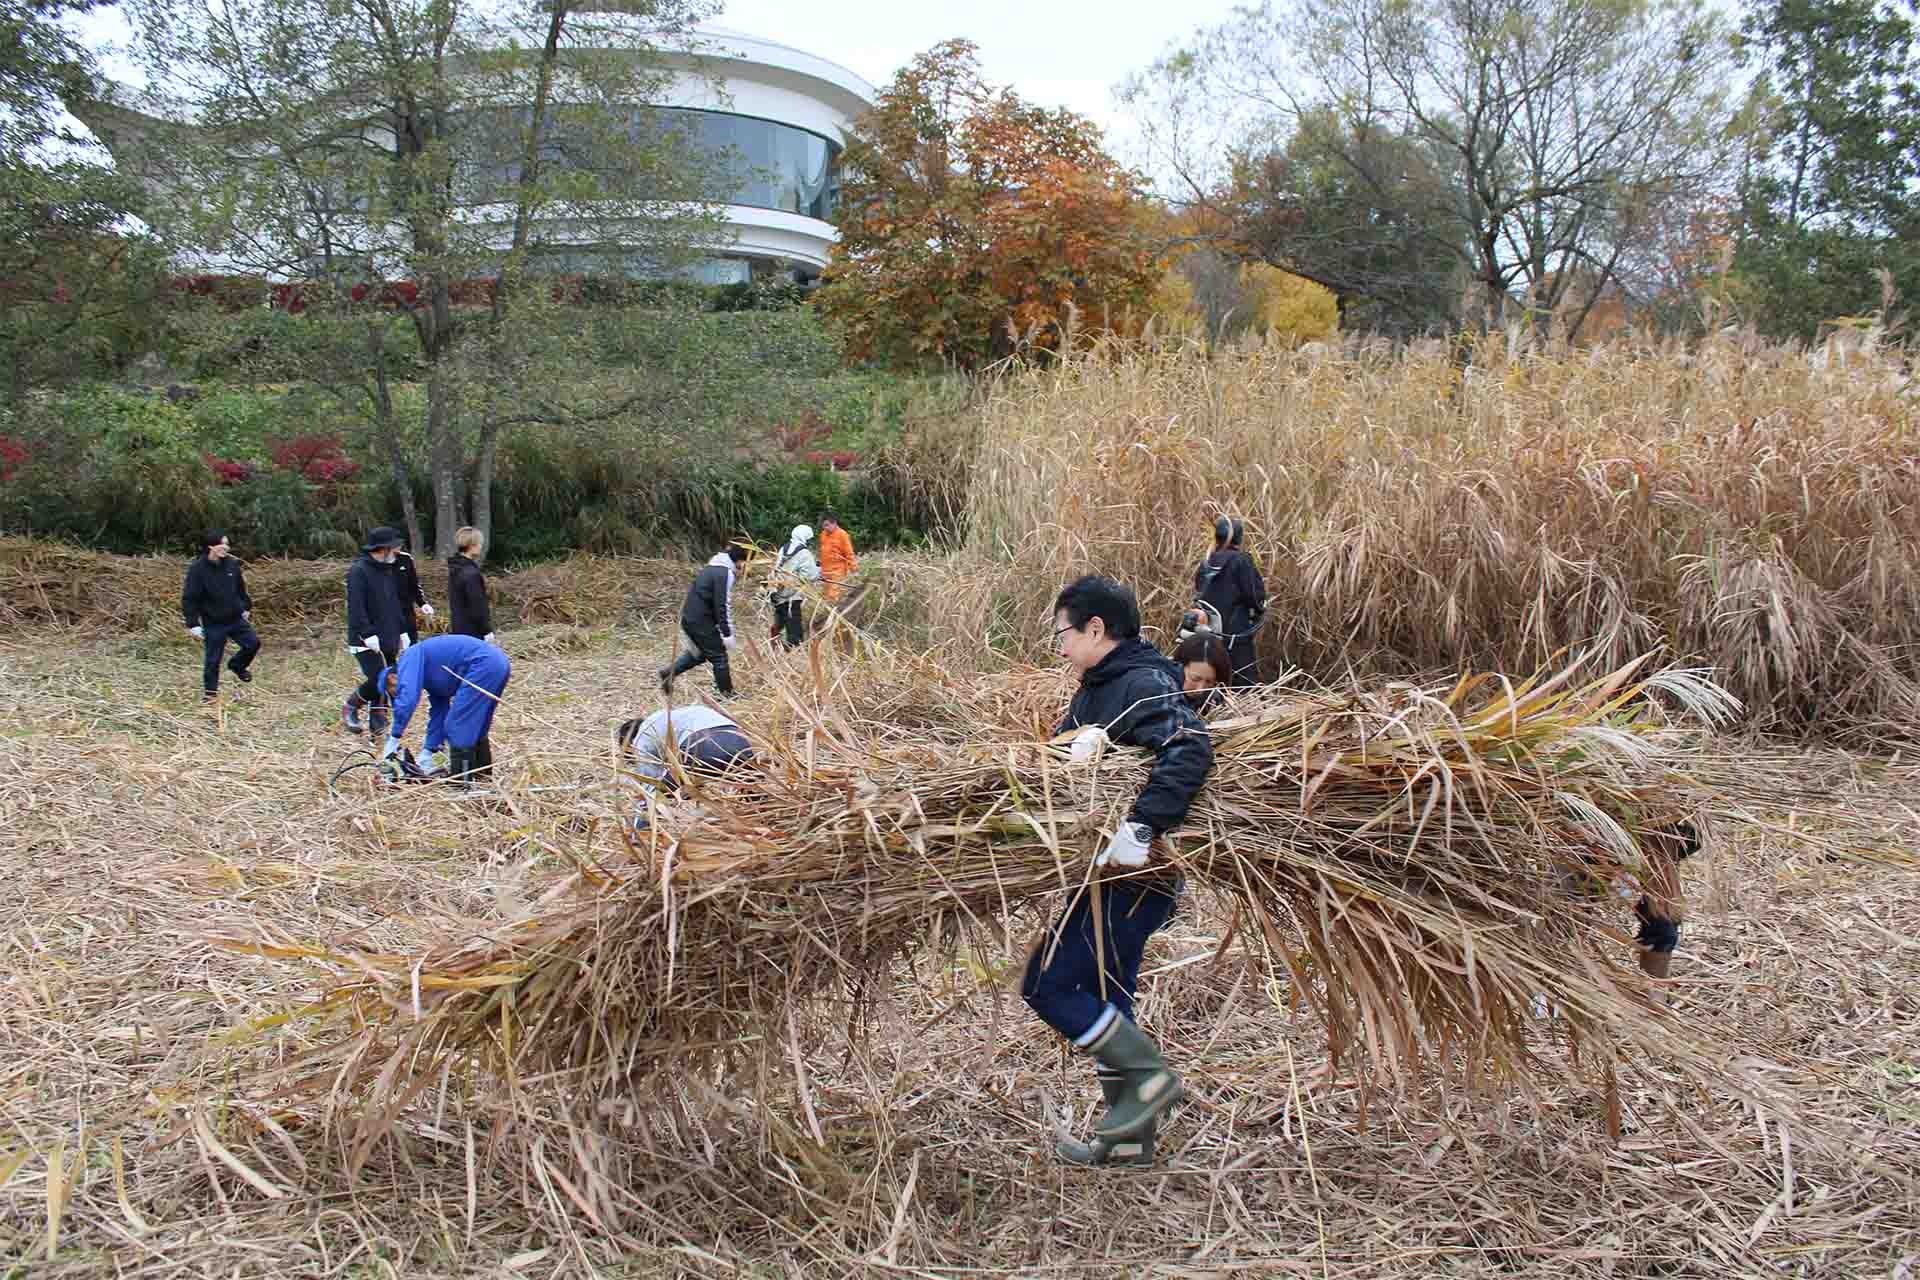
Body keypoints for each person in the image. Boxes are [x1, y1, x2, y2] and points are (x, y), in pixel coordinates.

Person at [1027, 574, 1214, 1169]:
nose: (1060, 647)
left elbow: (1189, 746)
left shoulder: (1141, 681)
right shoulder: (1098, 688)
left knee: (1047, 984)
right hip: (1105, 874)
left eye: (1063, 634)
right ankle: (1131, 1143)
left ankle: (1151, 1079)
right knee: (1109, 995)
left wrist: (1141, 827)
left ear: (1095, 629)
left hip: (1138, 876)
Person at [378, 633, 512, 783]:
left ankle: (461, 782)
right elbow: (439, 715)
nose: (396, 696)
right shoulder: (433, 677)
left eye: (393, 693)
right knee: (477, 724)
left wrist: (394, 737)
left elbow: (408, 698)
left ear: (392, 678)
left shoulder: (409, 657)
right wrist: (429, 750)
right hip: (498, 663)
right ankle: (482, 776)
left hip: (483, 663)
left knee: (458, 725)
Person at [614, 703, 758, 829]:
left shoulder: (642, 736)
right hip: (739, 741)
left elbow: (650, 783)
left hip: (702, 745)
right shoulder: (674, 716)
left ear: (629, 743)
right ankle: (763, 823)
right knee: (754, 789)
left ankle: (639, 838)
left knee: (653, 796)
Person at [342, 526, 413, 736]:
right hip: (365, 640)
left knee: (388, 678)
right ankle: (351, 706)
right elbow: (356, 607)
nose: (398, 552)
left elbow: (394, 604)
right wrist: (367, 633)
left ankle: (377, 720)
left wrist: (402, 631)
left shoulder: (387, 569)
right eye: (395, 547)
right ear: (383, 548)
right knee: (382, 678)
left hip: (388, 637)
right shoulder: (359, 571)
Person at [659, 541, 747, 697]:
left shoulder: (712, 568)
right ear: (739, 560)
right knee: (719, 657)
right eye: (743, 562)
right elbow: (722, 605)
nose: (743, 567)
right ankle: (726, 695)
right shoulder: (724, 573)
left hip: (690, 618)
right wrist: (727, 633)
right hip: (700, 621)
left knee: (700, 654)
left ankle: (669, 673)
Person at [181, 529, 260, 702]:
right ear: (211, 546)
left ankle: (237, 665)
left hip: (235, 618)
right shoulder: (198, 570)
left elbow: (240, 588)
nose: (226, 547)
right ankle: (210, 695)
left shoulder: (232, 564)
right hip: (214, 622)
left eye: (227, 544)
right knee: (213, 660)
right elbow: (190, 598)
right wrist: (193, 624)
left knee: (253, 643)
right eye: (221, 544)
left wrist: (246, 606)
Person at [1192, 516, 1267, 686]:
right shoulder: (1241, 560)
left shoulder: (1207, 561)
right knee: (1243, 681)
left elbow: (1198, 589)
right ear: (1239, 538)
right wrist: (1260, 608)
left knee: (1215, 675)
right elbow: (1254, 595)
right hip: (1235, 631)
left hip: (1208, 629)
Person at [768, 524, 820, 650]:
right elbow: (811, 575)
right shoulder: (804, 553)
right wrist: (819, 570)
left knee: (781, 618)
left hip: (778, 590)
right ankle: (793, 649)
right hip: (792, 594)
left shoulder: (784, 548)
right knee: (794, 626)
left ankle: (775, 643)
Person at [447, 526, 494, 644]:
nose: (480, 547)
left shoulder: (455, 568)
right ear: (471, 545)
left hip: (458, 627)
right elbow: (477, 604)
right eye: (479, 543)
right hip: (472, 631)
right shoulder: (470, 573)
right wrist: (486, 630)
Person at [1170, 630, 1233, 714]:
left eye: (1209, 682)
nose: (1200, 689)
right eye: (1195, 679)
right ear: (1178, 667)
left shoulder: (1215, 702)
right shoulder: (1159, 694)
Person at [394, 537, 434, 645]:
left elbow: (414, 584)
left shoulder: (405, 559)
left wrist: (422, 603)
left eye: (399, 544)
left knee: (412, 641)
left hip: (406, 609)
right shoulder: (379, 562)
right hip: (388, 612)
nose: (398, 547)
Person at [819, 512, 857, 604]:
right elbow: (823, 552)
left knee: (834, 595)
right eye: (823, 526)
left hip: (838, 570)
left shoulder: (842, 535)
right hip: (825, 570)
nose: (825, 528)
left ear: (834, 523)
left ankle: (836, 611)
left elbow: (849, 553)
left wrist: (854, 569)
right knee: (825, 596)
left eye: (827, 525)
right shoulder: (823, 534)